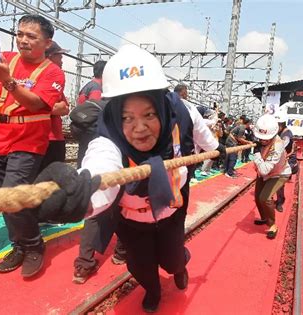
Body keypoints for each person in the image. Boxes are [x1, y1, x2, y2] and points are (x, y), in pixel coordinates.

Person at [35, 45, 222, 312]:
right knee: (139, 265)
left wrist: (218, 147)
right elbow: (101, 167)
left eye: (149, 114)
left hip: (172, 209)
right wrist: (81, 195)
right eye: (127, 117)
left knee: (173, 259)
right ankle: (153, 290)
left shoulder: (183, 112)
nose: (140, 127)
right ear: (114, 113)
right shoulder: (107, 137)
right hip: (131, 219)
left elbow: (203, 134)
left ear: (162, 105)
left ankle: (179, 268)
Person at [0, 14, 65, 278]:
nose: (23, 40)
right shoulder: (5, 58)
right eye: (20, 34)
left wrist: (7, 80)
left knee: (11, 195)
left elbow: (35, 103)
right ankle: (18, 245)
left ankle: (33, 246)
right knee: (6, 199)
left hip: (29, 142)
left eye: (31, 36)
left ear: (47, 42)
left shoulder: (53, 72)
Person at [252, 114, 291, 239]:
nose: (262, 140)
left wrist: (257, 154)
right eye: (260, 138)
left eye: (265, 138)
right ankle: (264, 218)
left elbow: (264, 170)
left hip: (279, 173)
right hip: (266, 171)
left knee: (265, 197)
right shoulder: (262, 141)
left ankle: (272, 224)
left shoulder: (277, 146)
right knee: (258, 197)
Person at [39, 41, 70, 172]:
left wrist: (42, 106)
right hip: (42, 139)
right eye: (60, 56)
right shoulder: (37, 76)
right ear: (50, 56)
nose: (62, 60)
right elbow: (29, 105)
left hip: (56, 138)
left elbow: (64, 108)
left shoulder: (56, 78)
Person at [274, 110, 298, 212]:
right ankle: (277, 199)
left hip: (287, 160)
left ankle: (280, 202)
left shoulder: (286, 134)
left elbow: (281, 147)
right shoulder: (281, 132)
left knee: (279, 181)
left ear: (281, 124)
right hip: (281, 159)